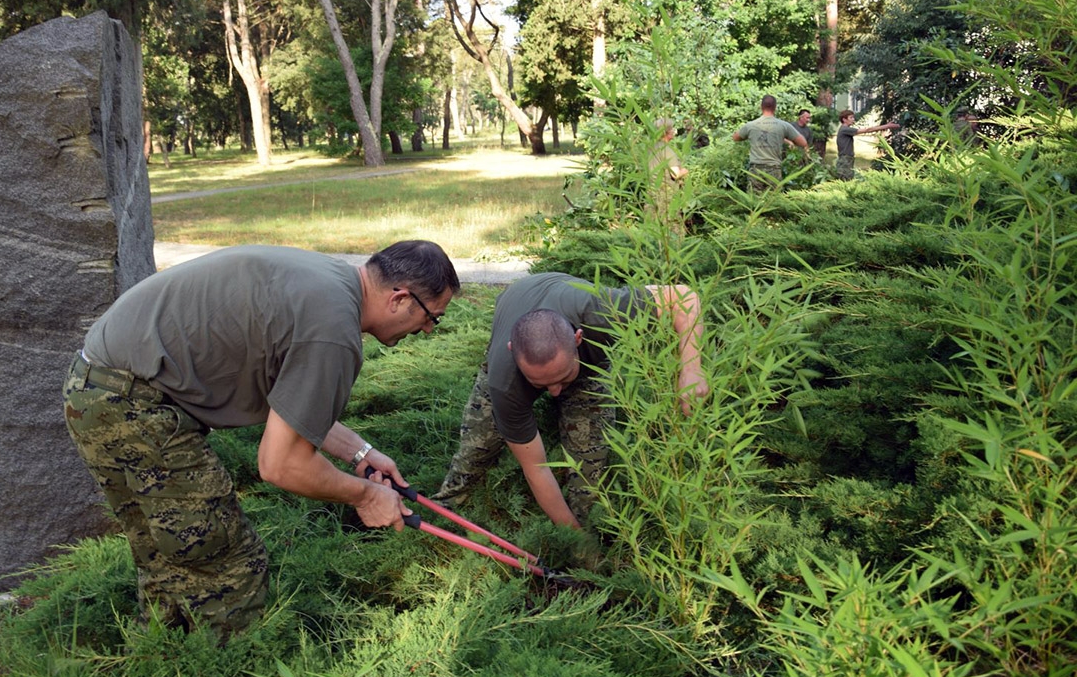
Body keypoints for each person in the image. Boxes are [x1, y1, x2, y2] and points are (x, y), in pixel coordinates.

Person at [63, 241, 460, 637]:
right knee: (229, 565)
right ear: (400, 298)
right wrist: (367, 497)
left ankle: (164, 662)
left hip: (97, 388)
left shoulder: (330, 282)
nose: (427, 330)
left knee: (169, 555)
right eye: (431, 318)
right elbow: (280, 465)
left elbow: (289, 404)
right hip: (135, 405)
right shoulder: (333, 330)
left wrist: (360, 452)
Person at [432, 272, 708, 528]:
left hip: (581, 348)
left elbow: (683, 298)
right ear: (512, 351)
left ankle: (588, 526)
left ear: (578, 339)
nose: (555, 392)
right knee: (476, 448)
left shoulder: (600, 312)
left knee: (591, 459)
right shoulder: (504, 378)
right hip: (520, 315)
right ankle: (443, 513)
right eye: (541, 384)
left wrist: (692, 370)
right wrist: (572, 536)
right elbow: (537, 468)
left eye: (563, 379)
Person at [732, 95, 807, 193]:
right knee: (772, 202)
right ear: (775, 107)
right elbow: (803, 142)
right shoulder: (783, 125)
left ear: (761, 106)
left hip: (756, 169)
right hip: (774, 170)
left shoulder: (750, 125)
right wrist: (784, 137)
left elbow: (735, 138)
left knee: (753, 202)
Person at [835, 110, 900, 181]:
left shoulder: (845, 129)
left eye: (853, 117)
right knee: (846, 180)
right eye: (851, 117)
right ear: (844, 119)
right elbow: (868, 130)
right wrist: (887, 126)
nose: (853, 119)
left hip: (847, 158)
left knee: (848, 179)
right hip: (845, 159)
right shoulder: (845, 129)